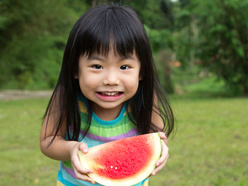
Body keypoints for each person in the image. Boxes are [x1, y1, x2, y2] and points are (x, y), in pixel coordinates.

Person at [40, 3, 174, 186]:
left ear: (141, 71)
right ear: (75, 69)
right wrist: (72, 149)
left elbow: (157, 135)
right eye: (97, 66)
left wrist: (162, 149)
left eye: (124, 67)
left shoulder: (145, 98)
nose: (111, 79)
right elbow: (48, 141)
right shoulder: (66, 97)